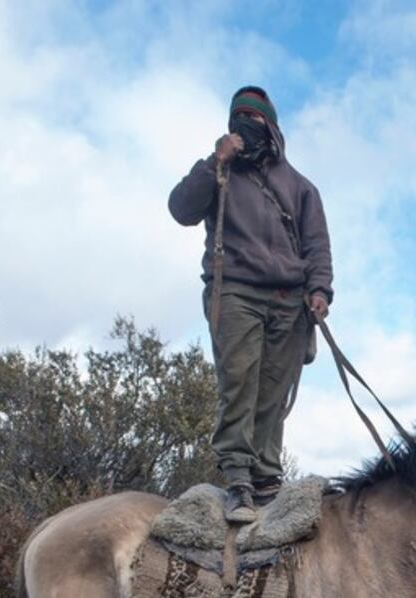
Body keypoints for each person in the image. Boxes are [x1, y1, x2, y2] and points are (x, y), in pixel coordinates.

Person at [168, 86, 334, 522]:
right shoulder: (218, 172)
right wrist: (215, 161)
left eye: (254, 117)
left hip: (288, 300)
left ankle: (266, 477)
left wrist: (319, 291)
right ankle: (238, 477)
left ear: (271, 126)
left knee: (273, 391)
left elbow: (317, 245)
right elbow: (181, 210)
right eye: (237, 116)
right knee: (239, 381)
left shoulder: (299, 187)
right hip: (236, 289)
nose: (245, 123)